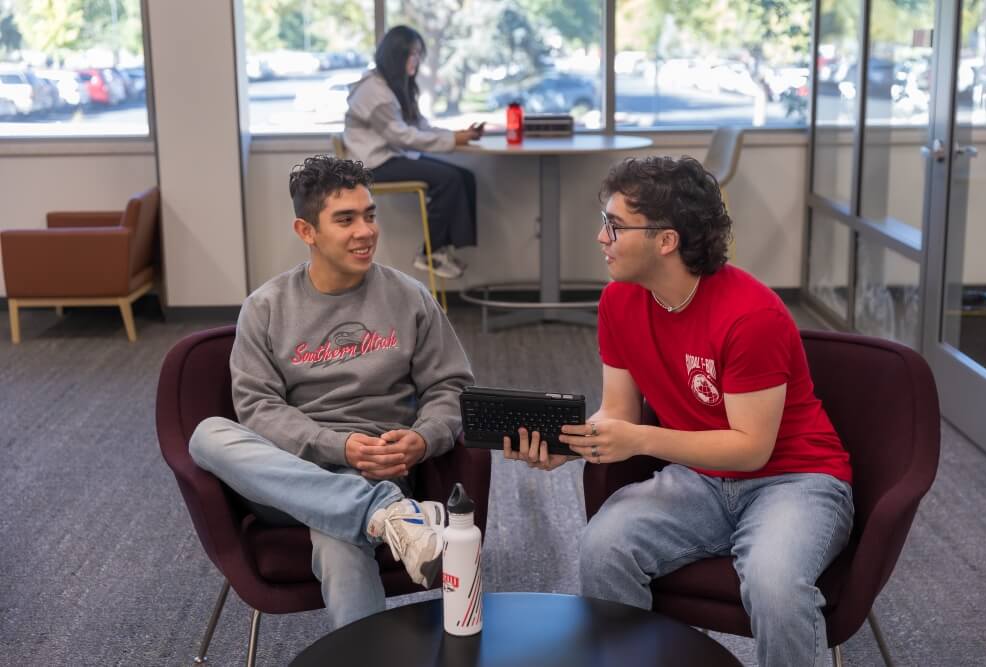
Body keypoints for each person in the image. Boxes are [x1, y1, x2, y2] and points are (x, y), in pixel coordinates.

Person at [504, 156, 854, 666]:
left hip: (795, 480)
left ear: (666, 240)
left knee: (774, 583)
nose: (601, 238)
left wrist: (641, 440)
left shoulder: (750, 315)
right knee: (603, 547)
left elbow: (751, 450)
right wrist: (569, 445)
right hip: (700, 478)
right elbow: (619, 413)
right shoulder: (619, 302)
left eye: (615, 226)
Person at [188, 155, 474, 630]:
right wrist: (335, 446)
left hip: (378, 468)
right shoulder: (266, 307)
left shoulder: (409, 297)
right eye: (345, 220)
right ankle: (386, 514)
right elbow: (258, 408)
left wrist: (423, 439)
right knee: (207, 435)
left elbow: (452, 386)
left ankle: (374, 519)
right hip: (287, 474)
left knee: (340, 541)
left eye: (369, 215)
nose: (365, 231)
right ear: (307, 231)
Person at [344, 25, 483, 280]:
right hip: (372, 164)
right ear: (396, 56)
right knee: (449, 179)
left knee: (464, 176)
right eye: (412, 54)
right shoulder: (374, 92)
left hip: (389, 156)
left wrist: (456, 134)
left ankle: (443, 248)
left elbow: (419, 126)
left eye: (419, 54)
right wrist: (453, 140)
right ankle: (430, 252)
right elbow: (404, 137)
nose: (416, 61)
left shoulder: (396, 86)